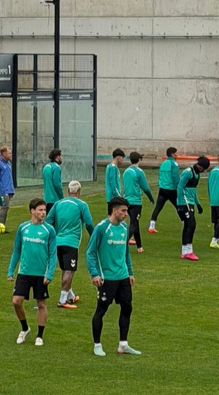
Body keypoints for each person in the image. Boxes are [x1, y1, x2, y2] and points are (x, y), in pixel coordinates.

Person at [87, 197, 140, 357]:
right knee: (101, 310)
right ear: (114, 210)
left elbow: (125, 253)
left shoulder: (124, 228)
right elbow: (90, 252)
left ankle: (123, 344)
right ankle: (97, 345)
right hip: (107, 278)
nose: (126, 214)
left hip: (123, 277)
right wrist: (95, 274)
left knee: (127, 307)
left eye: (127, 211)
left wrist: (130, 272)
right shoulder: (101, 228)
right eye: (123, 210)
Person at [7, 199, 57, 346]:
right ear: (32, 211)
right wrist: (11, 270)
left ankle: (39, 335)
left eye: (44, 210)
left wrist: (49, 274)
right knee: (16, 301)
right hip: (24, 272)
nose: (43, 213)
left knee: (41, 304)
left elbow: (53, 254)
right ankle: (25, 328)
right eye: (40, 210)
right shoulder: (23, 228)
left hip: (41, 274)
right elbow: (17, 250)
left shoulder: (49, 230)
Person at [46, 180, 95, 309]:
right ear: (79, 191)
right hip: (71, 243)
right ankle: (62, 300)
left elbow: (48, 221)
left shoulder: (58, 204)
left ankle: (70, 296)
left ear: (68, 191)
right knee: (69, 270)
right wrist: (94, 237)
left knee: (65, 268)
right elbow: (89, 224)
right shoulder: (81, 205)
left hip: (58, 242)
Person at [176, 155, 210, 261]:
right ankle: (189, 251)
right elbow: (180, 187)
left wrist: (198, 204)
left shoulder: (197, 174)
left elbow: (193, 191)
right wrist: (180, 203)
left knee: (187, 225)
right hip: (185, 202)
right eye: (201, 167)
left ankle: (184, 251)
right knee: (192, 224)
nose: (201, 170)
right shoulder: (188, 172)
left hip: (190, 202)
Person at [122, 151, 154, 253]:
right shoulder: (139, 172)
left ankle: (139, 247)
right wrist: (151, 198)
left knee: (135, 223)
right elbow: (145, 188)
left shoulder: (126, 172)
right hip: (135, 202)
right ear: (139, 160)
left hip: (126, 201)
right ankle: (122, 243)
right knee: (134, 224)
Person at [148, 147, 179, 233]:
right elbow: (175, 177)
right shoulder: (174, 164)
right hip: (171, 189)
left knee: (158, 208)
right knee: (179, 207)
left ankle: (151, 226)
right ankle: (185, 222)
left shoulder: (163, 163)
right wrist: (179, 187)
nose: (177, 155)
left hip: (162, 189)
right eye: (175, 153)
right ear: (172, 154)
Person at [0, 146, 15, 229]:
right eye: (9, 153)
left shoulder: (8, 163)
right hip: (3, 190)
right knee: (4, 207)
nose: (10, 154)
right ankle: (0, 226)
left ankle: (2, 225)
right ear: (4, 153)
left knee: (6, 207)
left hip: (8, 189)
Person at [104, 148, 125, 215]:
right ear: (118, 157)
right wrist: (119, 196)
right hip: (113, 198)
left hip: (110, 197)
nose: (122, 160)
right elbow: (113, 184)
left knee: (111, 216)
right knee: (115, 217)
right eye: (122, 158)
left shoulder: (109, 166)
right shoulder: (113, 168)